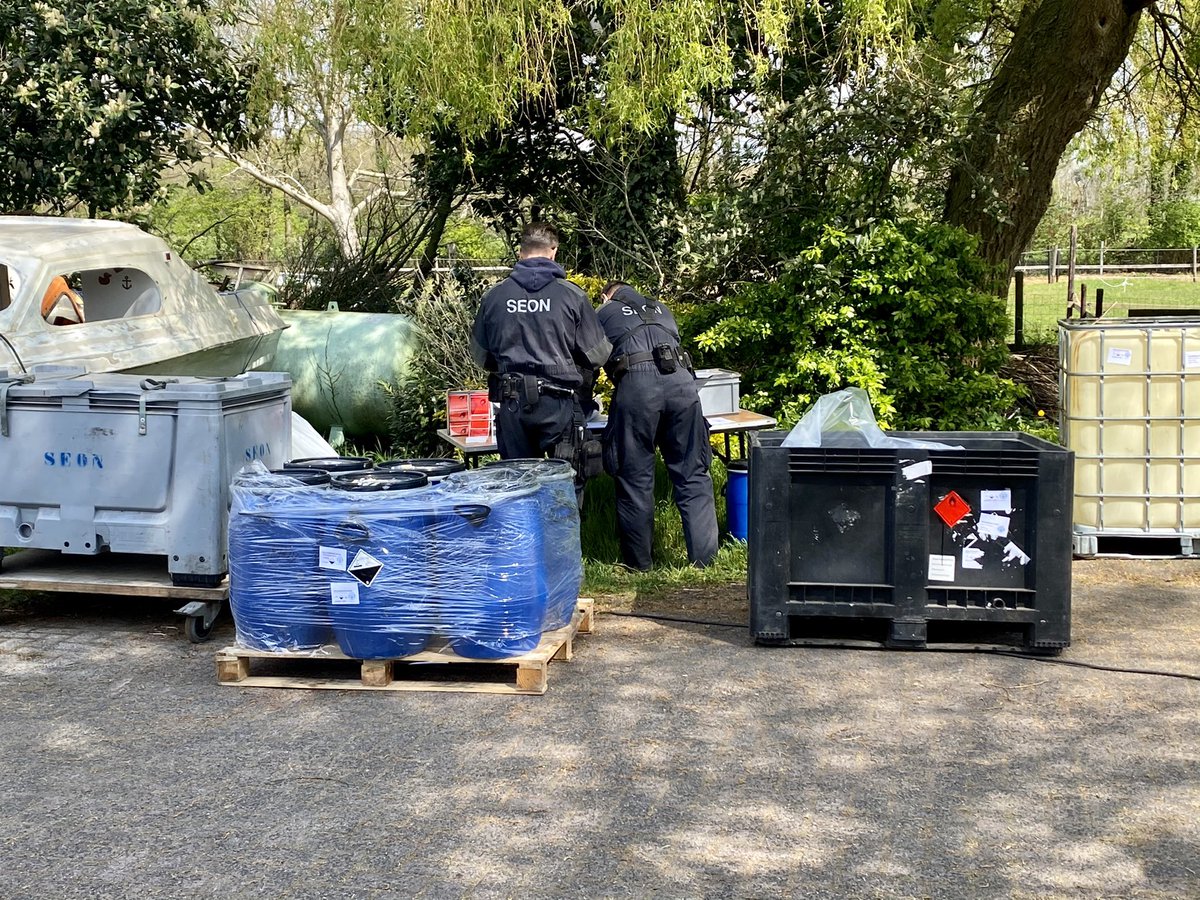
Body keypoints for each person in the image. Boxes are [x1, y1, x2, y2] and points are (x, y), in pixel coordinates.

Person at [470, 223, 611, 478]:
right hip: (558, 403)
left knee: (519, 487)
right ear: (553, 251)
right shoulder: (571, 296)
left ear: (521, 253)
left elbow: (481, 355)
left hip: (512, 405)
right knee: (565, 485)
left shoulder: (495, 296)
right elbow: (598, 354)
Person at [598, 281, 719, 570]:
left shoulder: (604, 311)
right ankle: (706, 562)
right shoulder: (661, 308)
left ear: (607, 296)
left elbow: (589, 357)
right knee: (693, 473)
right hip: (682, 386)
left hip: (637, 390)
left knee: (635, 478)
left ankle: (639, 565)